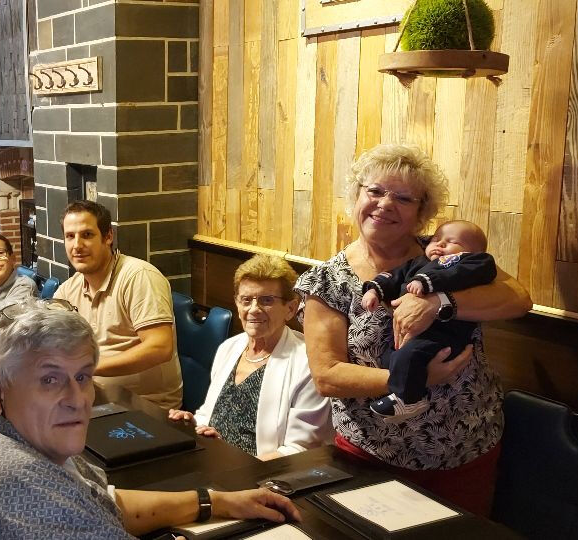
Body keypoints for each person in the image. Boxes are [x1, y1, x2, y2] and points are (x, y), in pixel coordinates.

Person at [0, 303, 301, 539]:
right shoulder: (20, 481)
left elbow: (102, 502)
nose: (76, 399)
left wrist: (217, 501)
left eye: (82, 376)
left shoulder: (9, 437)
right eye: (49, 380)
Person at [295, 143, 531, 516]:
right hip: (374, 456)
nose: (385, 204)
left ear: (422, 212)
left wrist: (440, 303)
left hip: (468, 445)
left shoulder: (447, 254)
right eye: (375, 191)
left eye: (403, 198)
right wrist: (412, 378)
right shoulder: (327, 280)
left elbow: (518, 298)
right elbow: (327, 376)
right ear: (356, 196)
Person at [167, 254, 332, 459]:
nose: (254, 310)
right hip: (212, 459)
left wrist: (239, 466)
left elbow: (299, 450)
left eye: (266, 300)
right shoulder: (229, 347)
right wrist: (192, 423)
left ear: (290, 308)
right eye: (246, 300)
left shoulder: (307, 364)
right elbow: (208, 414)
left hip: (262, 472)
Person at [360, 220, 497, 421]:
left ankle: (409, 400)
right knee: (390, 358)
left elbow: (470, 272)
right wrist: (374, 290)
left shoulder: (470, 262)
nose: (440, 244)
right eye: (436, 239)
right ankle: (405, 391)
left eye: (452, 241)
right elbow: (394, 276)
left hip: (443, 335)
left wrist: (427, 282)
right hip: (410, 336)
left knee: (410, 355)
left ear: (473, 251)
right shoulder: (418, 262)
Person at [54, 200, 182, 409]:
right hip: (94, 398)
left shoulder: (139, 277)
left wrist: (89, 367)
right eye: (70, 236)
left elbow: (160, 347)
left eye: (87, 235)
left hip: (146, 406)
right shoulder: (68, 289)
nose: (77, 245)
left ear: (108, 237)